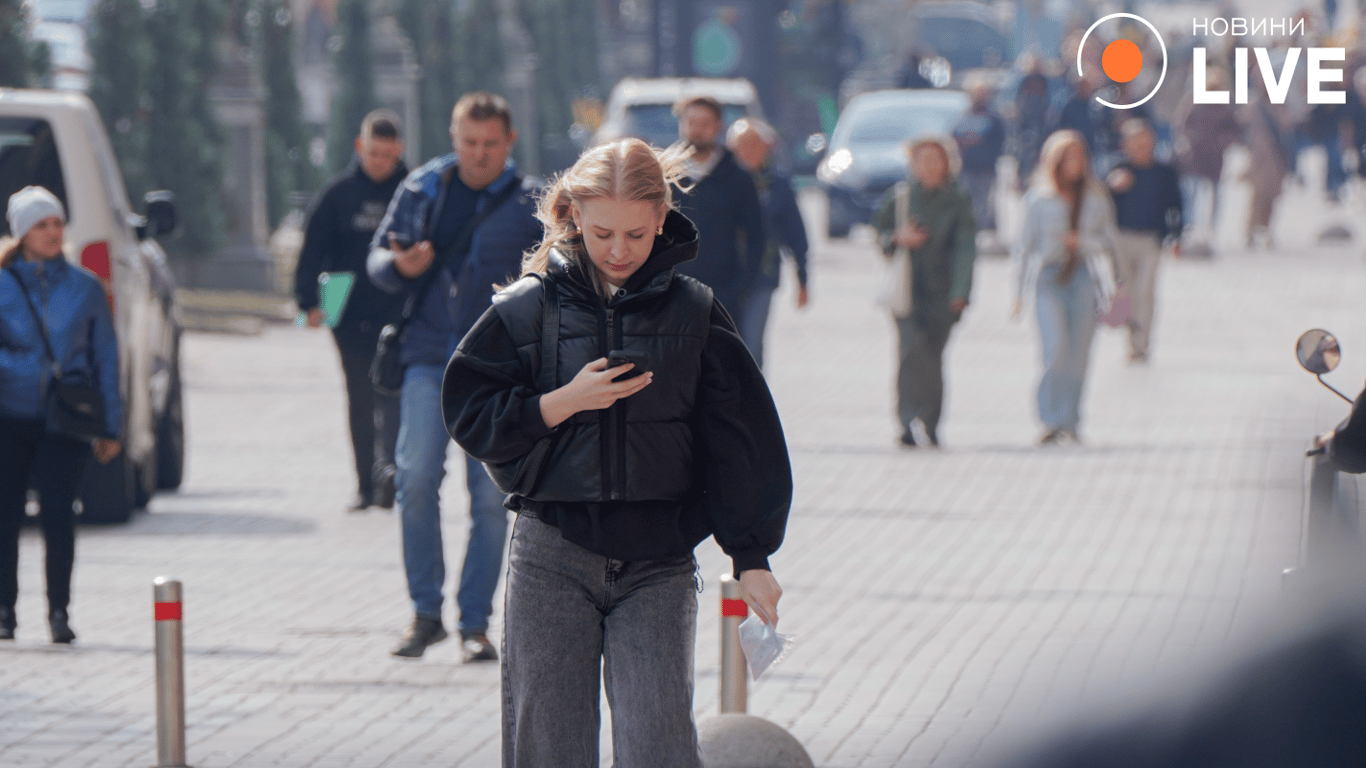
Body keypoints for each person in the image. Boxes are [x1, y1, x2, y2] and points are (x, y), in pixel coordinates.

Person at [441, 138, 791, 767]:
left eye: (637, 233)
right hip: (550, 555)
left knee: (657, 747)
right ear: (572, 214)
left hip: (658, 564)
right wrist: (562, 401)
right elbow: (471, 412)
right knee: (547, 748)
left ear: (661, 220)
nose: (620, 250)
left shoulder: (696, 312)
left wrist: (752, 553)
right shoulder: (527, 307)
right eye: (603, 232)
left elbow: (740, 438)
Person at [366, 92, 543, 662]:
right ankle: (425, 615)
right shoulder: (423, 188)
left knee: (491, 500)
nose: (479, 155)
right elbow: (374, 261)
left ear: (509, 141)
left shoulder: (530, 201)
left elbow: (557, 276)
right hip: (426, 356)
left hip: (496, 368)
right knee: (414, 478)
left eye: (491, 144)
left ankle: (474, 623)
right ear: (453, 136)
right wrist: (398, 265)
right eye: (469, 142)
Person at [0, 186, 123, 644]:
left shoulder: (86, 287)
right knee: (5, 516)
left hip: (65, 418)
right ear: (21, 233)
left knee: (58, 515)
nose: (52, 232)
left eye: (57, 223)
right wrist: (19, 368)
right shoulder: (2, 284)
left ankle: (58, 612)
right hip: (8, 415)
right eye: (41, 225)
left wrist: (112, 425)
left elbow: (106, 359)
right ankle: (5, 610)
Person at [294, 109, 408, 512]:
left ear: (400, 151)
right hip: (346, 310)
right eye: (373, 153)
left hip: (400, 312)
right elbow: (312, 252)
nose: (379, 162)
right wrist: (307, 301)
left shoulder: (413, 193)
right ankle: (365, 485)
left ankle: (392, 478)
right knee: (360, 397)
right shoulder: (337, 194)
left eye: (387, 155)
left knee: (393, 398)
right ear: (360, 147)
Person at [1012, 130, 1117, 445]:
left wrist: (1082, 241)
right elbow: (1023, 249)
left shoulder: (1095, 197)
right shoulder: (1038, 199)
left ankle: (1071, 420)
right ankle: (1050, 418)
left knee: (1079, 355)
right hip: (1049, 279)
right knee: (1055, 349)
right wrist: (1018, 293)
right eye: (1067, 158)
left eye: (1079, 157)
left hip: (1083, 279)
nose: (1075, 164)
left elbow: (1109, 242)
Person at [872, 137, 977, 448]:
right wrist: (897, 238)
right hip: (907, 293)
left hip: (943, 295)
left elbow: (965, 249)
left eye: (936, 159)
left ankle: (930, 421)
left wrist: (961, 291)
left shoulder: (957, 202)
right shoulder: (900, 198)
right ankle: (906, 420)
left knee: (932, 358)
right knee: (909, 352)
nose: (929, 166)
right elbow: (880, 232)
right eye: (922, 160)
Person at [726, 117, 810, 369]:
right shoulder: (721, 183)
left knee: (752, 340)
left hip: (762, 275)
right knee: (726, 341)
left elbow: (797, 234)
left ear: (767, 148)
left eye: (755, 144)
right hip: (724, 274)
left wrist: (803, 278)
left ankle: (753, 401)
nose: (749, 150)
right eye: (743, 144)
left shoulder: (778, 185)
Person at [670, 95, 766, 315]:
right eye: (691, 123)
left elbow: (756, 236)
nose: (697, 130)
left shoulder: (737, 177)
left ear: (718, 128)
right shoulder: (665, 175)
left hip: (722, 297)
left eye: (705, 124)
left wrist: (740, 289)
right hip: (672, 296)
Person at [1105, 119, 1183, 364]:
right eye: (1134, 143)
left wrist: (1176, 237)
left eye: (1144, 142)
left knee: (1146, 292)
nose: (1140, 148)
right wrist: (1111, 187)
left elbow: (1176, 206)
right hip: (1121, 240)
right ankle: (1131, 340)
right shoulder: (1118, 170)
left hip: (1151, 240)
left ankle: (1142, 344)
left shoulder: (1164, 172)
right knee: (1126, 293)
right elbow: (1101, 205)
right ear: (1125, 145)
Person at [953, 80, 1007, 237]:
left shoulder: (993, 120)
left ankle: (983, 234)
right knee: (967, 201)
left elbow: (999, 142)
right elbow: (954, 139)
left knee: (985, 202)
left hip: (986, 168)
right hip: (967, 167)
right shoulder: (962, 117)